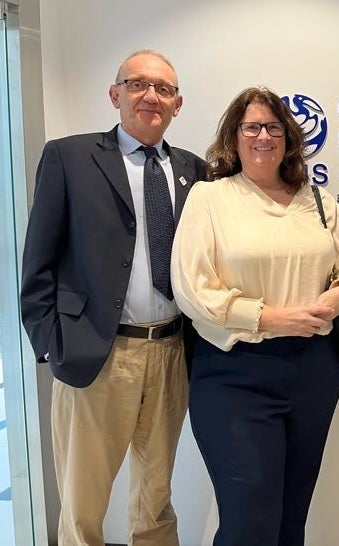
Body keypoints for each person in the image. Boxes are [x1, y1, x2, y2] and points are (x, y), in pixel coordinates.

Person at [19, 50, 206, 545]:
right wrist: (52, 346)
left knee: (156, 497)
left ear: (178, 104)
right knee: (82, 507)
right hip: (97, 356)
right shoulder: (70, 157)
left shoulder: (195, 171)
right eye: (138, 84)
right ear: (115, 93)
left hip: (171, 354)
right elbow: (36, 264)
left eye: (164, 89)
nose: (151, 96)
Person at [171, 86, 339, 545]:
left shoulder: (316, 199)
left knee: (289, 517)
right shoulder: (210, 198)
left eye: (273, 127)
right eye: (252, 127)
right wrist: (271, 318)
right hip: (233, 375)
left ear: (288, 137)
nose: (263, 136)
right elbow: (192, 289)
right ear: (234, 137)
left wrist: (334, 300)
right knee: (249, 522)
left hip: (313, 372)